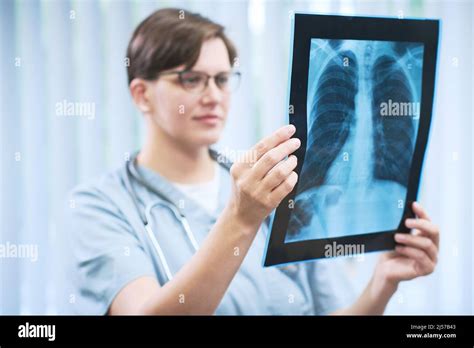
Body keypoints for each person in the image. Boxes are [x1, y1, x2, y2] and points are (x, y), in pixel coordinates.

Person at [66, 8, 440, 315]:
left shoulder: (272, 181)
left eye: (223, 79)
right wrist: (241, 218)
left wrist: (381, 285)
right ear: (141, 94)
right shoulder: (101, 205)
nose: (214, 96)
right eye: (191, 79)